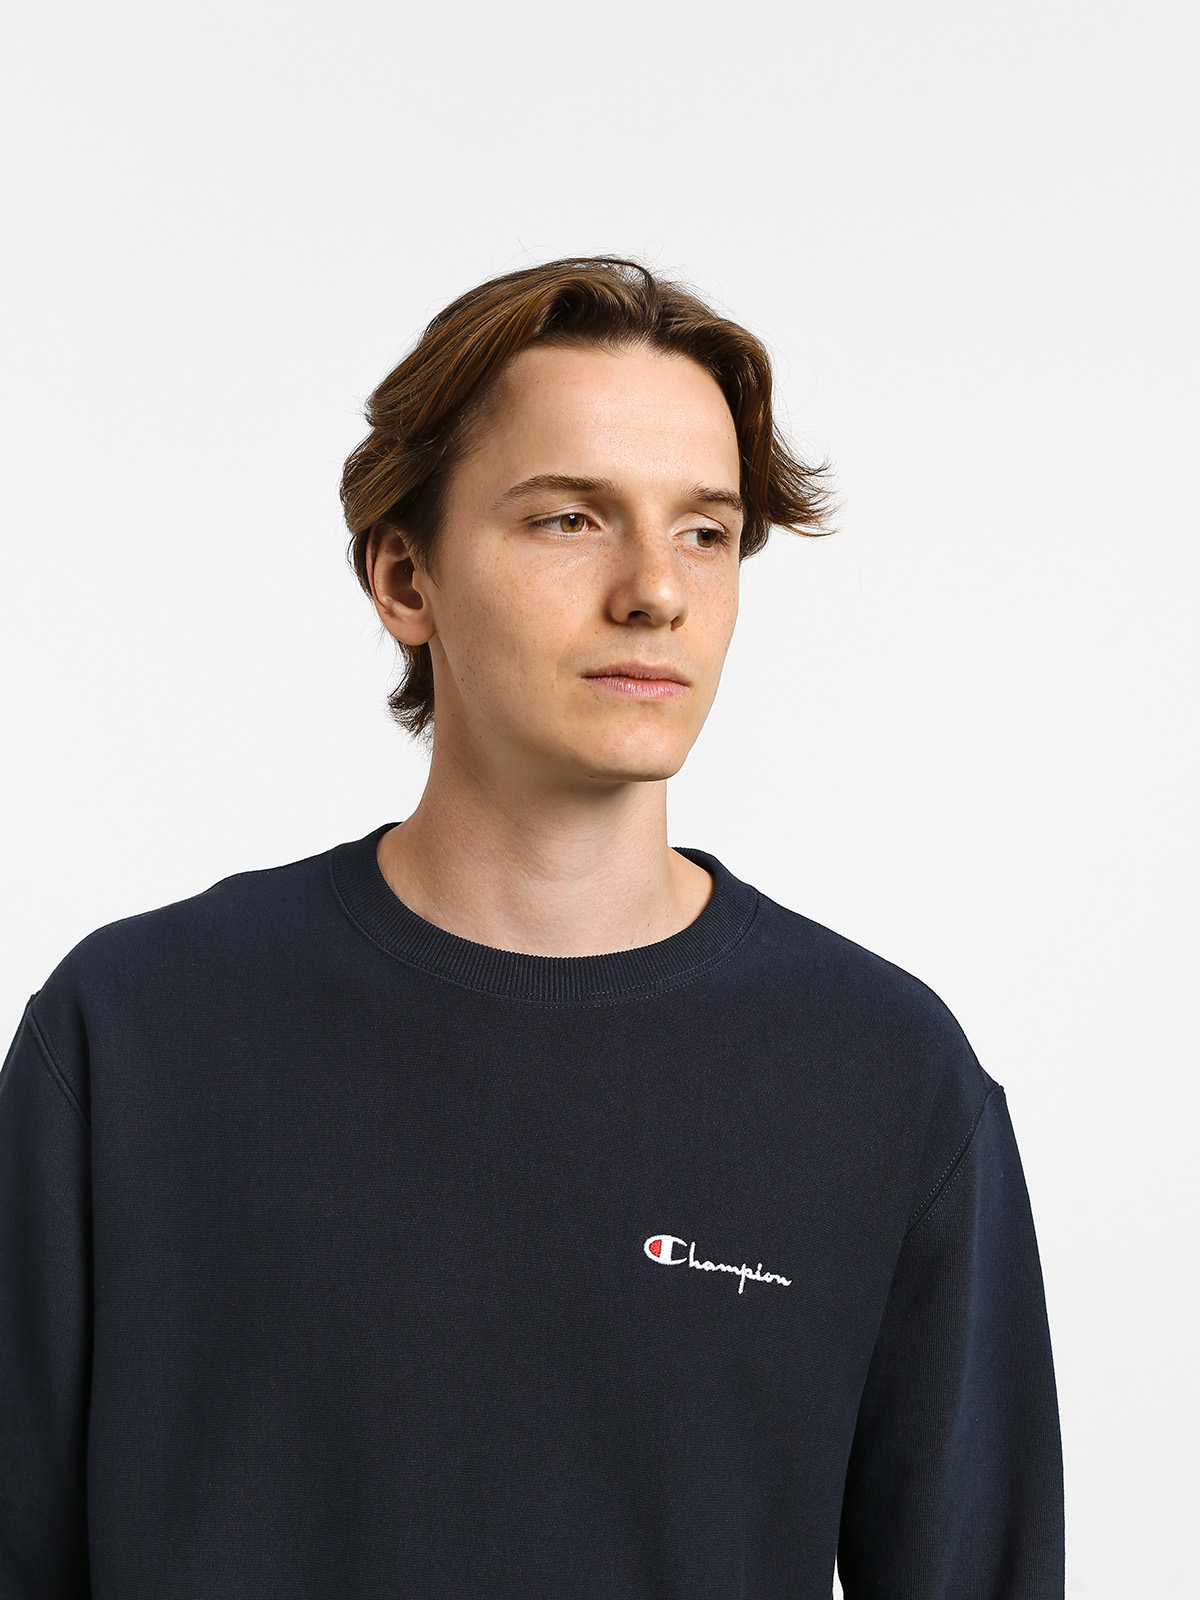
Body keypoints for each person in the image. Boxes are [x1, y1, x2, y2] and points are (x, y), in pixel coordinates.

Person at [0, 257, 1064, 1597]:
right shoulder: (134, 1034)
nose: (655, 590)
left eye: (705, 532)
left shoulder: (884, 1075)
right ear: (406, 577)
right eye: (570, 518)